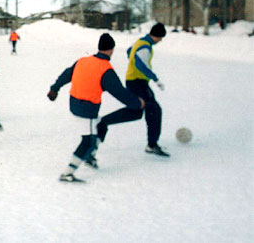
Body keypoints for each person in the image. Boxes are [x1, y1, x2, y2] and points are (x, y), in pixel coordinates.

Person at [47, 33, 144, 183]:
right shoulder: (106, 70)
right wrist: (138, 103)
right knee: (88, 141)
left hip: (74, 104)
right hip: (87, 110)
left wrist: (54, 89)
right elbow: (120, 93)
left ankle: (90, 156)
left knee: (102, 126)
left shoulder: (82, 61)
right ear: (111, 50)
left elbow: (66, 74)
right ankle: (67, 173)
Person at [96, 23, 170, 157]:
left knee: (137, 112)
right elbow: (140, 65)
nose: (161, 40)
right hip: (137, 82)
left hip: (135, 81)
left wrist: (133, 64)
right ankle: (151, 145)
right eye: (161, 37)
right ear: (157, 35)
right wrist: (155, 79)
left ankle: (104, 121)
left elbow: (129, 51)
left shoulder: (141, 41)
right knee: (153, 110)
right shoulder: (145, 46)